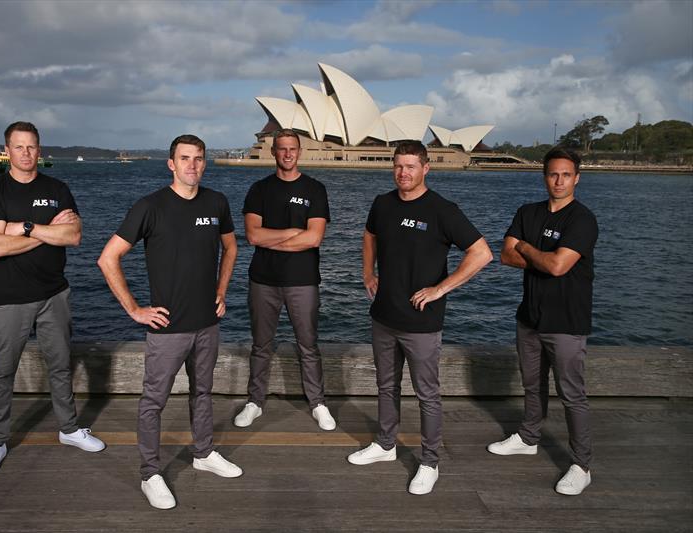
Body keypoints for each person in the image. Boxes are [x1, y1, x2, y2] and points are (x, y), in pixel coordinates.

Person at [98, 134, 240, 510]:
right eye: (185, 158)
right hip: (167, 329)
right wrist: (134, 309)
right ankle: (150, 473)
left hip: (207, 323)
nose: (192, 165)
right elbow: (108, 258)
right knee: (153, 402)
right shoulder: (150, 207)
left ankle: (204, 453)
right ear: (171, 164)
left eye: (199, 158)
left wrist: (221, 291)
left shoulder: (217, 202)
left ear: (205, 163)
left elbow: (231, 247)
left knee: (203, 393)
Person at [348, 140, 492, 495]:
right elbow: (370, 236)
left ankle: (429, 462)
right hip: (383, 314)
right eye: (398, 165)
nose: (403, 173)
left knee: (427, 394)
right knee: (386, 386)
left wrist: (440, 289)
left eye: (411, 166)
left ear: (426, 168)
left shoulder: (443, 210)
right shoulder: (382, 203)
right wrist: (368, 272)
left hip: (421, 321)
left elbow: (481, 253)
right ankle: (385, 444)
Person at [0, 121, 105, 476]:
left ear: (39, 148)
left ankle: (69, 429)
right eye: (19, 147)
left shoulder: (57, 188)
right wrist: (49, 232)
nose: (26, 153)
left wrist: (26, 227)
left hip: (54, 294)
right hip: (8, 297)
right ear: (7, 150)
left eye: (31, 146)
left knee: (61, 365)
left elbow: (75, 236)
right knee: (3, 371)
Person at [487, 147, 598, 496]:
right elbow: (505, 255)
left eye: (566, 174)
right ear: (544, 176)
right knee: (532, 384)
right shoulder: (527, 212)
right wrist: (539, 255)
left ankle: (581, 465)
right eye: (553, 174)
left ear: (576, 178)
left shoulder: (582, 220)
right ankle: (529, 437)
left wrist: (528, 249)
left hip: (566, 321)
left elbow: (558, 266)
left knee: (572, 395)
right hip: (530, 317)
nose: (559, 180)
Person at [233, 129, 336, 431]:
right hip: (263, 280)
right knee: (261, 346)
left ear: (299, 151)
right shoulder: (259, 189)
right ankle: (255, 402)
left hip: (303, 281)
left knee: (309, 345)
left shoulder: (315, 189)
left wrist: (273, 239)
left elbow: (315, 238)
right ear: (273, 152)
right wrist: (293, 233)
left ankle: (318, 403)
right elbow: (253, 235)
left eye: (292, 149)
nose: (287, 154)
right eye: (282, 149)